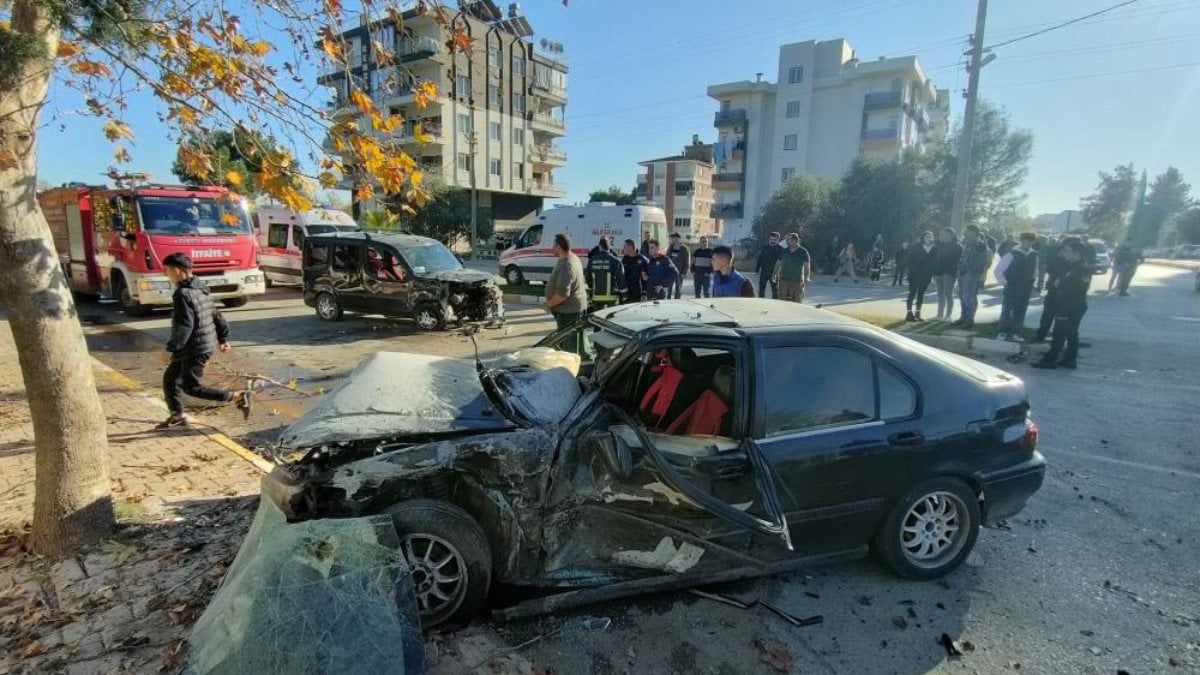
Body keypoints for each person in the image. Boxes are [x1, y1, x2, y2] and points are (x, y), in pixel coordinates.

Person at [159, 253, 251, 427]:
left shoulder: (182, 294)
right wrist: (223, 338)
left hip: (194, 347)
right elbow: (216, 315)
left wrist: (171, 349)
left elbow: (184, 325)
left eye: (167, 271)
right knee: (170, 379)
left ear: (177, 271)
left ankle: (237, 396)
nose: (166, 275)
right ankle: (178, 416)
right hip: (202, 344)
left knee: (191, 387)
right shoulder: (201, 288)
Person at [1033, 237, 1090, 369]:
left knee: (1059, 334)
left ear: (1077, 254)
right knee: (1071, 333)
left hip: (1069, 307)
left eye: (1069, 252)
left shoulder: (1080, 269)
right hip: (1070, 305)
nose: (1066, 255)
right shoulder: (1074, 266)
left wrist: (1061, 283)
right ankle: (1070, 359)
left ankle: (1050, 360)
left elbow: (1071, 288)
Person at [994, 232, 1039, 341]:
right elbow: (998, 271)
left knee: (1021, 311)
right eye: (1025, 240)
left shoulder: (1034, 254)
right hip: (1012, 287)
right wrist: (1005, 283)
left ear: (1033, 242)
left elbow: (1035, 270)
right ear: (1021, 240)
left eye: (1030, 241)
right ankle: (1002, 332)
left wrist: (1033, 282)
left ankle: (1016, 333)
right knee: (1007, 310)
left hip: (1026, 288)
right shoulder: (1011, 254)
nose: (1027, 243)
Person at [544, 233, 589, 329]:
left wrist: (549, 304)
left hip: (569, 313)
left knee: (569, 343)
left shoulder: (566, 265)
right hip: (573, 309)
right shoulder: (573, 258)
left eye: (553, 245)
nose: (552, 248)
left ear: (559, 247)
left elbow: (562, 295)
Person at [954, 225, 992, 328]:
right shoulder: (966, 242)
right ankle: (963, 317)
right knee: (962, 297)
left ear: (973, 232)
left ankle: (969, 320)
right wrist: (959, 269)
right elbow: (963, 257)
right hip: (962, 273)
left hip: (971, 274)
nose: (964, 233)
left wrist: (972, 271)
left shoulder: (980, 245)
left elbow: (982, 261)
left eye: (967, 231)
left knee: (968, 297)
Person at [1032, 238, 1069, 343]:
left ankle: (1057, 339)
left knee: (1060, 319)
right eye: (1062, 251)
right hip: (1052, 291)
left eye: (1066, 252)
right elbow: (1049, 269)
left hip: (1063, 294)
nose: (1064, 253)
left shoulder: (1070, 263)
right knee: (1046, 317)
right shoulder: (1056, 260)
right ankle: (1040, 337)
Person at [585, 237, 625, 310]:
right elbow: (620, 279)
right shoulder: (616, 261)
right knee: (611, 319)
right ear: (609, 247)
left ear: (600, 246)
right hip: (612, 297)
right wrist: (624, 294)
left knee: (598, 319)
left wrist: (592, 288)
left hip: (597, 296)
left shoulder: (592, 261)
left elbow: (588, 277)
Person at [905, 232, 936, 321]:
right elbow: (909, 260)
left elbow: (934, 262)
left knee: (920, 295)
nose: (929, 238)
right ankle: (909, 313)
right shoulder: (916, 247)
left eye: (931, 237)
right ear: (923, 238)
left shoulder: (934, 249)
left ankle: (918, 314)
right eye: (927, 236)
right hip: (914, 275)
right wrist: (912, 270)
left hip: (926, 276)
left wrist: (931, 273)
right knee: (912, 293)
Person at [933, 228, 963, 320]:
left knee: (948, 294)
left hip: (949, 273)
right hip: (938, 272)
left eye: (944, 234)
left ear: (951, 235)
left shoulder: (957, 246)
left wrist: (954, 272)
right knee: (940, 294)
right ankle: (939, 314)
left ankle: (948, 315)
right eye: (941, 234)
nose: (942, 236)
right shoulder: (938, 245)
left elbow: (958, 261)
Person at [776, 232, 811, 303]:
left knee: (797, 300)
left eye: (788, 240)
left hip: (797, 280)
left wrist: (807, 277)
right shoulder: (784, 251)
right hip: (784, 279)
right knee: (782, 299)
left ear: (794, 240)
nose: (786, 241)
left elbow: (807, 266)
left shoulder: (803, 252)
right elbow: (778, 263)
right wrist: (774, 274)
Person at [755, 232, 783, 299]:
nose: (772, 241)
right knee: (761, 290)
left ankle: (775, 305)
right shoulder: (765, 248)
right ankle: (761, 303)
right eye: (770, 239)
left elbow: (781, 263)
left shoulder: (781, 249)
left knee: (775, 291)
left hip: (774, 273)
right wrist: (757, 269)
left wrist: (778, 273)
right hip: (764, 272)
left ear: (778, 240)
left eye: (774, 240)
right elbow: (760, 259)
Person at [620, 239, 649, 303]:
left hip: (638, 293)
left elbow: (647, 278)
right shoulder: (624, 259)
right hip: (627, 292)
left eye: (625, 246)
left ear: (630, 247)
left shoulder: (643, 260)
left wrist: (644, 292)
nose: (623, 248)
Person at [666, 233, 691, 300]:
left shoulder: (685, 249)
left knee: (678, 288)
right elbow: (666, 258)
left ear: (679, 239)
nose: (673, 240)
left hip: (680, 272)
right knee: (669, 287)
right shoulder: (671, 247)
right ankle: (668, 299)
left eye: (675, 238)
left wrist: (684, 272)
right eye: (673, 239)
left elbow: (687, 262)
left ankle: (677, 300)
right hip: (671, 272)